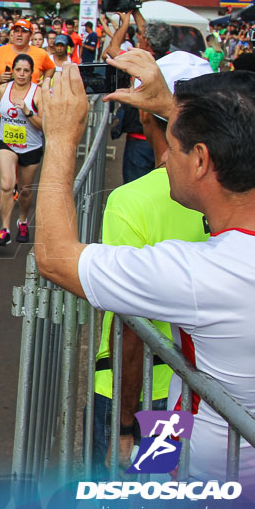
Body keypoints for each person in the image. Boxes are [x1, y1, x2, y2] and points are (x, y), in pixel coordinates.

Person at [36, 56, 255, 505]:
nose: (163, 155)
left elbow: (55, 258)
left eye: (174, 146)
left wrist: (62, 139)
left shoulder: (205, 274)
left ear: (200, 159)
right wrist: (167, 103)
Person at [86, 56, 213, 478]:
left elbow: (129, 325)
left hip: (137, 389)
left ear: (146, 112)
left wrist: (125, 421)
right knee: (165, 492)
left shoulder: (132, 200)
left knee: (126, 493)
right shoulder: (236, 189)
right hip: (204, 391)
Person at [0, 53, 43, 246]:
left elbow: (43, 125)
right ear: (12, 71)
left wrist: (28, 111)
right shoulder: (2, 90)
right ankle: (4, 229)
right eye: (18, 70)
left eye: (26, 70)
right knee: (6, 185)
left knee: (24, 190)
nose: (21, 74)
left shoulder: (37, 93)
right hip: (6, 143)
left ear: (32, 73)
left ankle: (22, 220)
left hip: (31, 146)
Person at [0, 19, 55, 85]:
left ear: (31, 36)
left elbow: (51, 68)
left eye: (24, 31)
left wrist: (45, 81)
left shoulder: (40, 53)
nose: (19, 34)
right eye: (17, 31)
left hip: (32, 96)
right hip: (5, 96)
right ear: (13, 34)